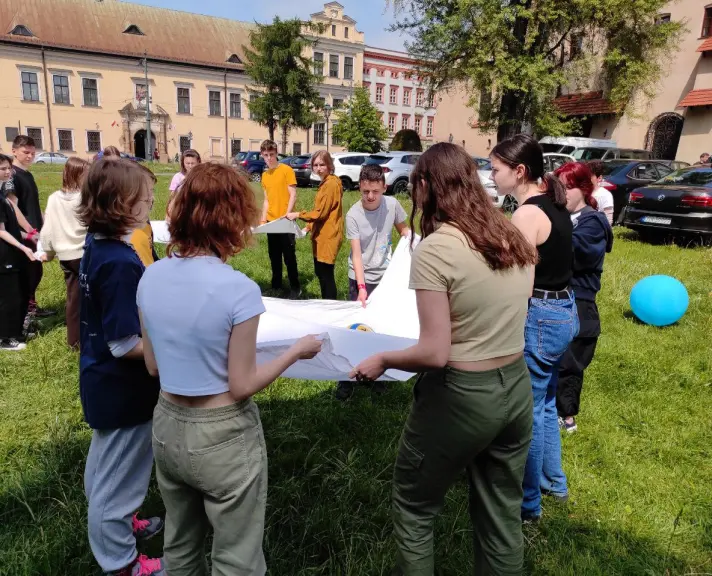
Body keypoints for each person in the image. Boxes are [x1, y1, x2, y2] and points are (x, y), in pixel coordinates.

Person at [351, 143, 537, 575]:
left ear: (426, 187)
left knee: (414, 506)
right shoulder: (509, 235)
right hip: (516, 386)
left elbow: (434, 352)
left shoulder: (437, 249)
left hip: (463, 396)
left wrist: (382, 360)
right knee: (501, 512)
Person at [137, 163, 322, 575]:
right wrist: (295, 352)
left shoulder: (150, 277)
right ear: (233, 216)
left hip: (167, 424)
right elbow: (242, 385)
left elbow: (152, 365)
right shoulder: (238, 288)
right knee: (236, 557)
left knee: (180, 547)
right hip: (222, 432)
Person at [77, 157, 164, 576]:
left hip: (102, 382)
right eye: (145, 200)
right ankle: (122, 562)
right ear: (121, 205)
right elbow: (124, 343)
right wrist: (171, 351)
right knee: (119, 477)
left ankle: (123, 523)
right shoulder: (118, 262)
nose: (151, 204)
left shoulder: (98, 244)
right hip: (123, 388)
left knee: (105, 464)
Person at [490, 134, 578, 523]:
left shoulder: (526, 214)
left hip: (540, 315)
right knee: (543, 406)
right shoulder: (552, 202)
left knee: (527, 413)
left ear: (519, 171)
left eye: (495, 169)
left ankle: (528, 506)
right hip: (563, 311)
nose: (491, 177)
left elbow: (519, 283)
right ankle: (553, 483)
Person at [334, 163, 409, 401]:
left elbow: (404, 231)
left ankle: (379, 376)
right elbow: (356, 254)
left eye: (375, 192)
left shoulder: (393, 205)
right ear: (359, 188)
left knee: (382, 329)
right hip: (360, 277)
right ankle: (346, 379)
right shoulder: (354, 214)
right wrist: (362, 287)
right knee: (356, 329)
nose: (370, 196)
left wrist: (415, 243)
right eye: (365, 191)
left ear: (384, 188)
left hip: (386, 277)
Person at [554, 162, 613, 434]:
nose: (562, 193)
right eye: (559, 187)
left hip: (579, 304)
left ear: (584, 188)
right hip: (554, 301)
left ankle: (567, 417)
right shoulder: (561, 216)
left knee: (570, 363)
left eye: (568, 187)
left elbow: (573, 252)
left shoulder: (593, 222)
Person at [39, 157, 90, 348]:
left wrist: (49, 252)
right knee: (89, 298)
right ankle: (85, 339)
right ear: (76, 175)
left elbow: (48, 229)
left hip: (66, 257)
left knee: (73, 298)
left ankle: (74, 340)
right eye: (86, 174)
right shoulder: (84, 198)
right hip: (84, 254)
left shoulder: (53, 198)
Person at [286, 150, 343, 299]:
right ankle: (327, 305)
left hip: (328, 236)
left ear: (329, 165)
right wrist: (308, 228)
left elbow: (320, 213)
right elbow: (322, 212)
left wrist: (298, 214)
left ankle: (330, 307)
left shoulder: (331, 184)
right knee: (321, 273)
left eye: (322, 164)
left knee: (326, 275)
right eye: (315, 165)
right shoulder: (325, 183)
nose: (318, 168)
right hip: (320, 235)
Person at [11, 135, 54, 319]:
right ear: (14, 151)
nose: (30, 156)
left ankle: (31, 305)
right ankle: (26, 309)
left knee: (35, 269)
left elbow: (33, 204)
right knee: (29, 271)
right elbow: (13, 206)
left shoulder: (27, 174)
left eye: (33, 153)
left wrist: (47, 220)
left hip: (36, 229)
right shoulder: (12, 175)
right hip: (26, 232)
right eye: (25, 152)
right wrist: (29, 229)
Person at [0, 153, 36, 351]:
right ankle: (5, 338)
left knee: (18, 292)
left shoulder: (4, 196)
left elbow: (11, 227)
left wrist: (29, 236)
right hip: (4, 254)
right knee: (8, 296)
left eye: (8, 168)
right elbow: (1, 231)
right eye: (3, 169)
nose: (8, 172)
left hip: (13, 251)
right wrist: (23, 246)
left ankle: (15, 331)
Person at [259, 139, 301, 298]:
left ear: (276, 153)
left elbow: (293, 194)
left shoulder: (286, 170)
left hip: (286, 221)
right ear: (262, 155)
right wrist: (263, 220)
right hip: (271, 222)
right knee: (274, 255)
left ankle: (295, 287)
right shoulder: (264, 175)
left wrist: (287, 214)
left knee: (289, 256)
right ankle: (276, 286)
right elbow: (266, 200)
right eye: (266, 155)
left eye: (271, 154)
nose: (269, 158)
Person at [167, 149, 201, 218]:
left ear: (198, 162)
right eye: (187, 163)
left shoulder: (201, 177)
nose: (190, 166)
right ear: (183, 163)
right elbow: (173, 195)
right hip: (182, 209)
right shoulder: (178, 177)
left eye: (193, 163)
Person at [587, 161, 614, 226]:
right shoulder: (581, 192)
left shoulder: (605, 195)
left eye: (590, 176)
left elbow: (608, 220)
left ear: (599, 178)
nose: (586, 178)